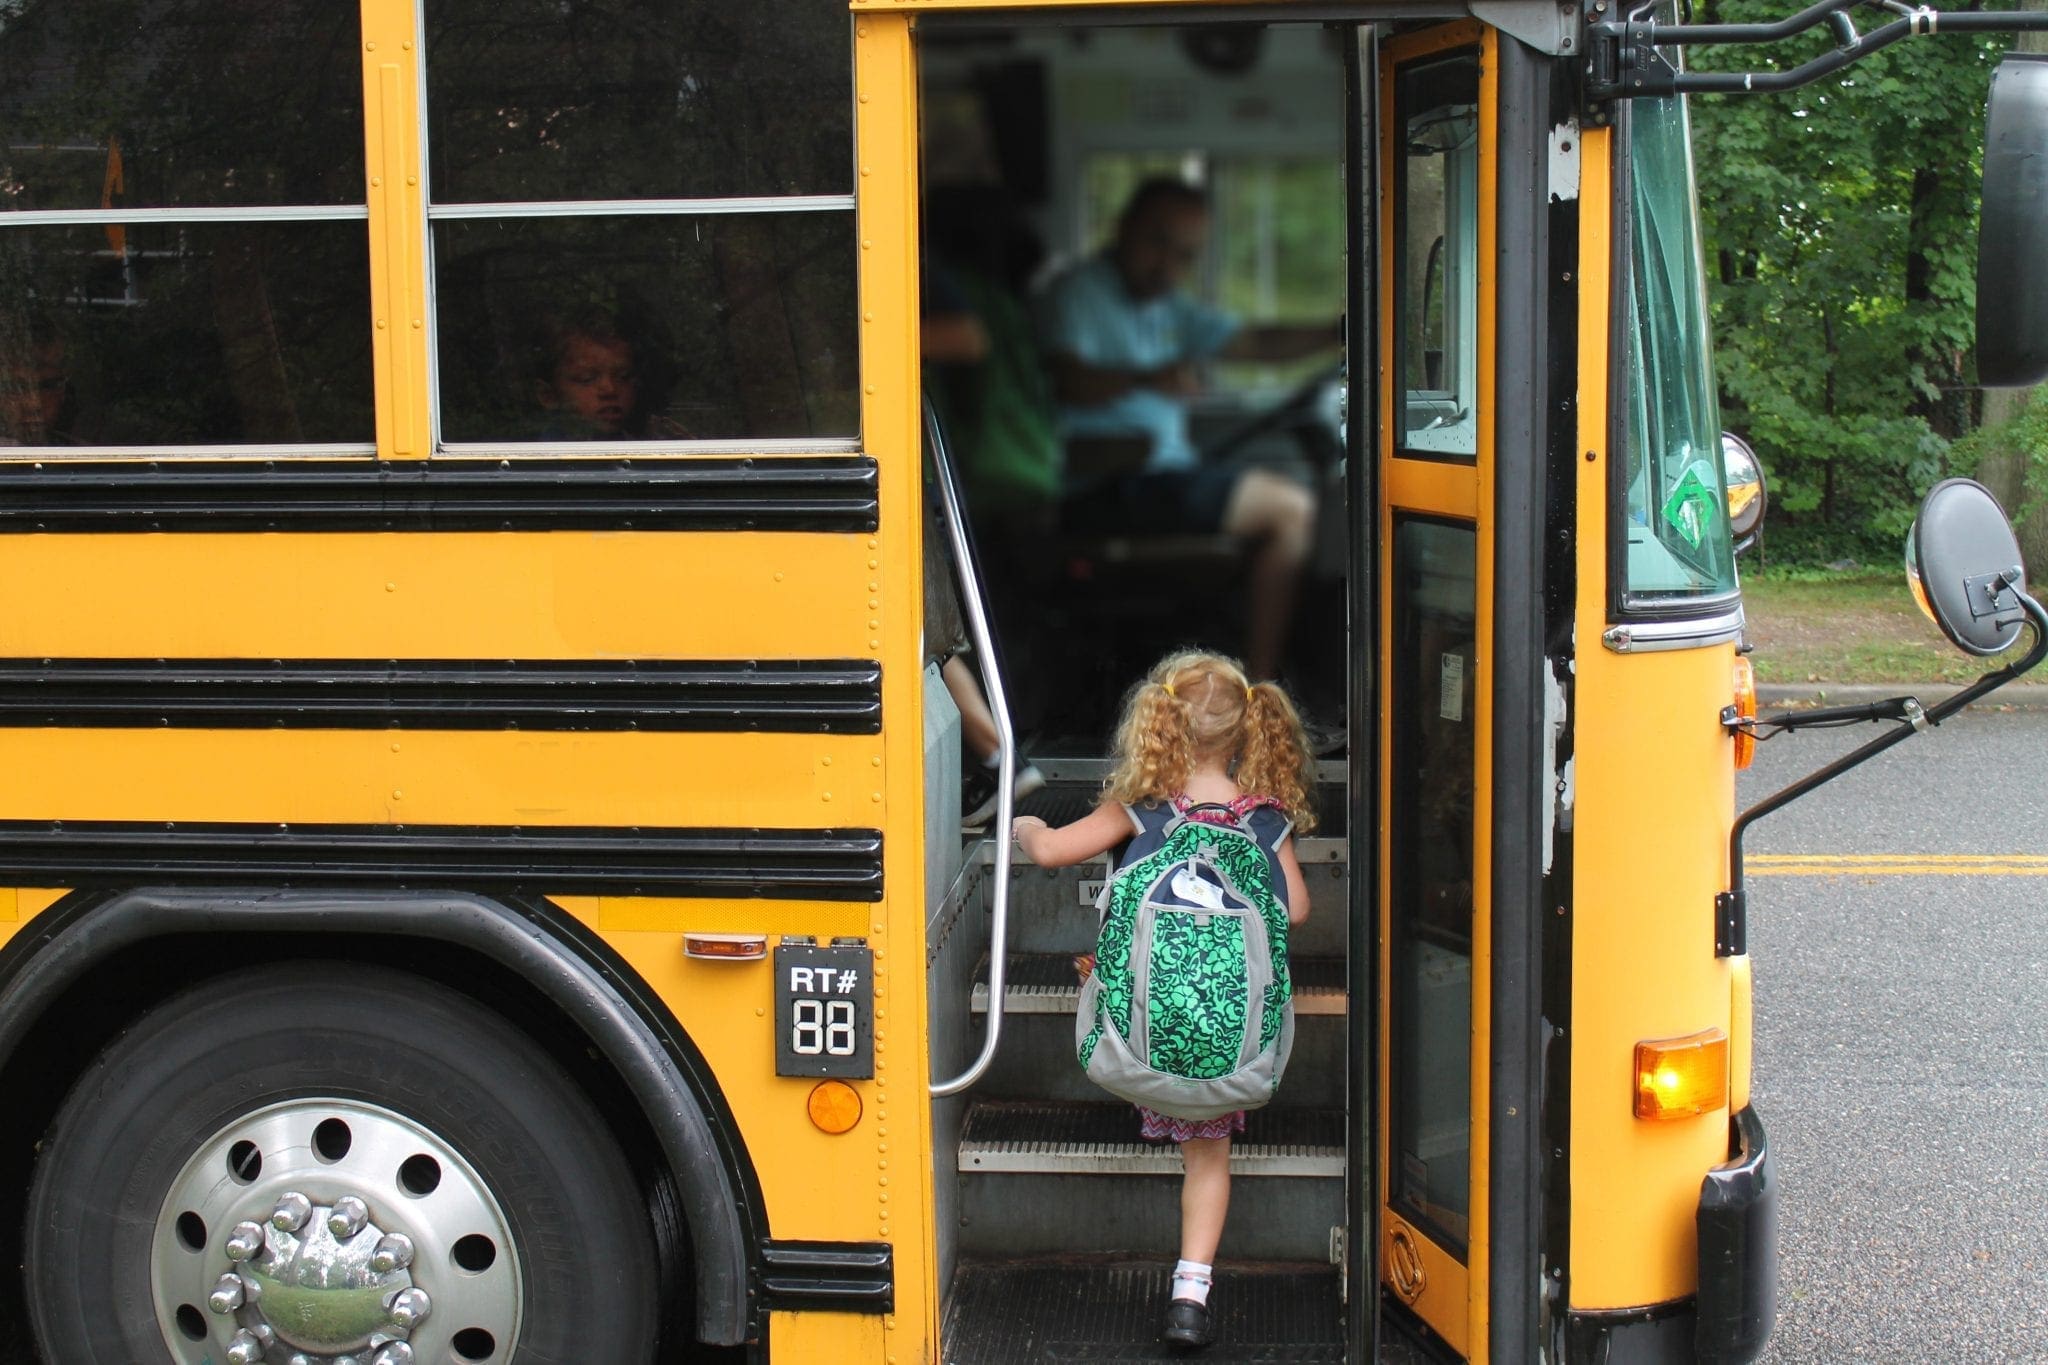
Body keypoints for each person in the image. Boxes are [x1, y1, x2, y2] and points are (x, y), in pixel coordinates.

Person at [1010, 650, 1315, 1351]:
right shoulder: (1267, 822)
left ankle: (1151, 1075)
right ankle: (1189, 1292)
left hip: (1138, 1038)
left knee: (1105, 971)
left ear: (1161, 725)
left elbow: (1053, 850)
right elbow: (1296, 909)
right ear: (1247, 731)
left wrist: (1024, 825)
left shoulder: (1141, 809)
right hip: (1229, 1050)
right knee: (1209, 1157)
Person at [1036, 177, 1342, 681]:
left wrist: (1338, 332)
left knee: (1285, 504)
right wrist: (1147, 377)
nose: (1167, 265)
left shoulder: (1165, 304)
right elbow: (1066, 379)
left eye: (1185, 255)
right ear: (1124, 227)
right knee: (1291, 510)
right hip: (1105, 484)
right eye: (1158, 242)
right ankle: (1260, 691)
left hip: (1159, 476)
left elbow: (1254, 343)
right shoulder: (1076, 294)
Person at [532, 309, 687, 440]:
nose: (610, 389)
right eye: (586, 379)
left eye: (623, 377)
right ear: (548, 395)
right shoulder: (531, 459)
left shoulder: (649, 446)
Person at [0, 315, 76, 446]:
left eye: (47, 386)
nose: (33, 404)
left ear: (64, 392)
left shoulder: (94, 456)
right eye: (17, 387)